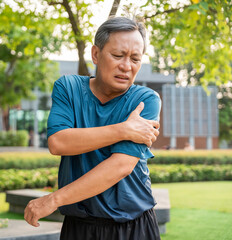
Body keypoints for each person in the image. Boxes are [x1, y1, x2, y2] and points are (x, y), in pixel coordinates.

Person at [24, 16, 161, 240]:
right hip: (79, 228)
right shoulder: (68, 88)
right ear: (96, 54)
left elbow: (120, 166)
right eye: (117, 55)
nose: (126, 66)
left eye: (135, 59)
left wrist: (53, 199)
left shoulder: (145, 100)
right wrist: (124, 130)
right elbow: (58, 142)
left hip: (134, 227)